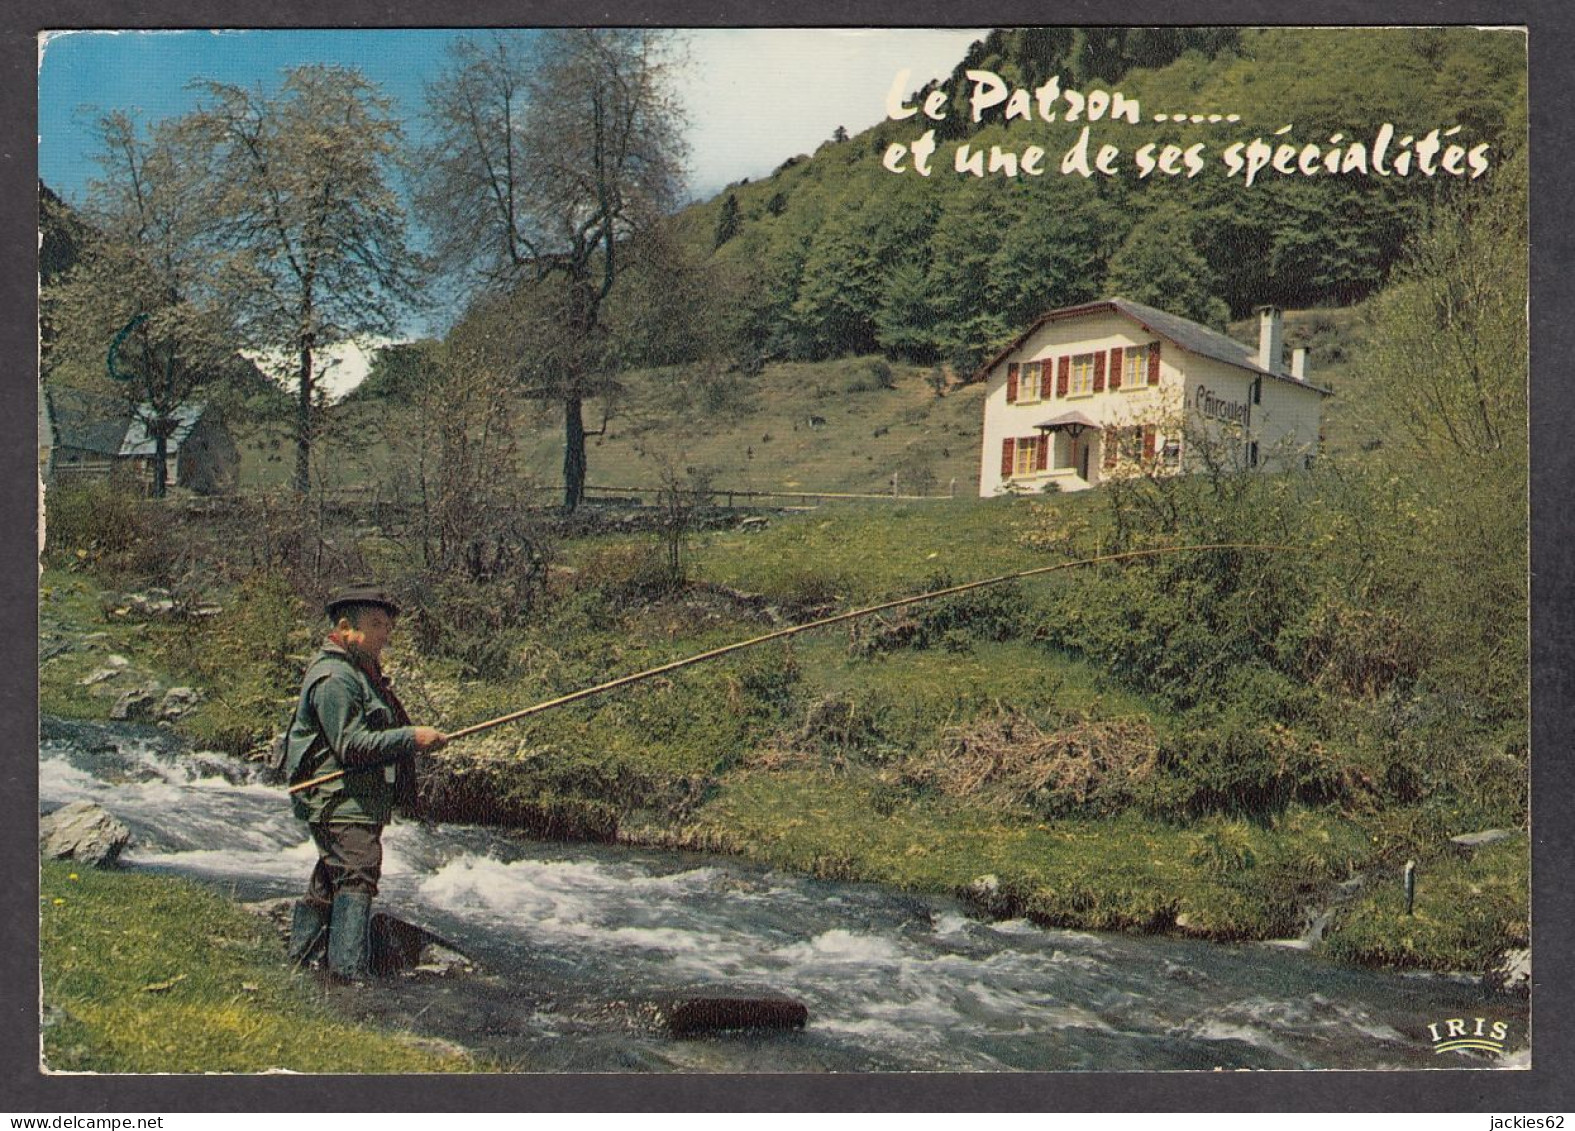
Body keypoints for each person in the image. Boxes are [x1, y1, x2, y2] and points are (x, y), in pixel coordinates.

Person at [282, 583, 447, 982]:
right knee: (357, 877)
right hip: (340, 803)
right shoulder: (336, 678)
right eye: (377, 624)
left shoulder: (359, 673)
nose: (386, 633)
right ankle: (346, 982)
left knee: (330, 879)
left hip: (350, 802)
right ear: (345, 627)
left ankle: (299, 968)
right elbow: (350, 745)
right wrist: (412, 738)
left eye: (388, 626)